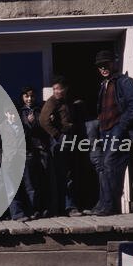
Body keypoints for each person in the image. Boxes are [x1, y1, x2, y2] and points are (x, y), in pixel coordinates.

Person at [88, 50, 133, 216]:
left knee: (111, 166)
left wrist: (121, 127)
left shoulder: (125, 82)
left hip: (118, 131)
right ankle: (104, 204)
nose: (103, 68)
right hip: (105, 132)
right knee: (105, 167)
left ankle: (110, 207)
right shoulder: (104, 85)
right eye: (100, 66)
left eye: (106, 64)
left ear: (114, 63)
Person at [39, 77, 82, 217]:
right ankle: (66, 207)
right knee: (63, 174)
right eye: (54, 89)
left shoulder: (67, 101)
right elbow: (43, 120)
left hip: (69, 138)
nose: (57, 91)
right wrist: (56, 135)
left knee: (69, 172)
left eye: (59, 88)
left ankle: (67, 206)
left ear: (65, 89)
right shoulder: (52, 102)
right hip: (60, 140)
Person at [17, 86, 50, 218]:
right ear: (22, 97)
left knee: (43, 179)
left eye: (31, 96)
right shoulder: (20, 112)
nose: (29, 99)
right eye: (26, 96)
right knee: (30, 182)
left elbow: (45, 127)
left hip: (41, 148)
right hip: (27, 150)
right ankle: (33, 209)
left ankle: (45, 208)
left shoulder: (40, 110)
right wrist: (29, 124)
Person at [0, 104, 30, 221]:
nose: (13, 116)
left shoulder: (23, 126)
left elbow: (29, 142)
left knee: (28, 186)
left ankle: (31, 211)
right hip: (8, 161)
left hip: (23, 160)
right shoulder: (2, 128)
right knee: (11, 189)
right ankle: (17, 213)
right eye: (10, 113)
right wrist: (1, 159)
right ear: (6, 114)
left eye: (14, 113)